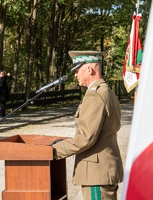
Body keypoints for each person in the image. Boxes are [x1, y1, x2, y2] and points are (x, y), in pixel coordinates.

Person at [51, 51, 124, 200]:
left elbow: (85, 138)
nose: (76, 74)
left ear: (90, 70)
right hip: (103, 168)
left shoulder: (95, 95)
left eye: (77, 70)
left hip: (97, 172)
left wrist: (52, 151)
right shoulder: (106, 91)